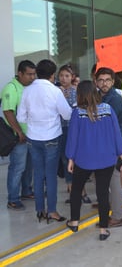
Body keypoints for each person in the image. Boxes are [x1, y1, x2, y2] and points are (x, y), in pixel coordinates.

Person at [65, 80, 122, 241]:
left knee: (76, 189)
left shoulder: (77, 112)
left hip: (84, 159)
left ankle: (74, 221)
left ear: (80, 95)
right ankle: (104, 229)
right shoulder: (108, 109)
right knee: (103, 193)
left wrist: (70, 157)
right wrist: (121, 153)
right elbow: (116, 133)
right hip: (107, 158)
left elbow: (73, 138)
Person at [17, 59, 72, 222]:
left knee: (38, 175)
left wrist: (34, 122)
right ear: (52, 75)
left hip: (33, 138)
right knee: (51, 176)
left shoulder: (26, 91)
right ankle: (52, 211)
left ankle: (40, 210)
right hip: (51, 138)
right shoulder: (55, 92)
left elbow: (20, 117)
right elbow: (67, 115)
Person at [1, 60, 36, 210]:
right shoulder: (11, 88)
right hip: (18, 137)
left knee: (29, 166)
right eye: (29, 74)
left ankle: (26, 191)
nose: (32, 77)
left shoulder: (30, 87)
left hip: (32, 135)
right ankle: (13, 199)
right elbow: (8, 111)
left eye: (34, 74)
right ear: (20, 73)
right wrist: (19, 132)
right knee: (18, 167)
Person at [95, 67, 122, 227]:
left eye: (107, 80)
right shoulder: (100, 96)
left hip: (113, 145)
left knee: (114, 181)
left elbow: (104, 123)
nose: (104, 83)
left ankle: (117, 216)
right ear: (96, 82)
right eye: (101, 80)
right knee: (104, 180)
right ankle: (105, 207)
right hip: (102, 144)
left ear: (113, 81)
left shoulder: (114, 99)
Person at [57, 64, 91, 204]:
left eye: (67, 76)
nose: (64, 79)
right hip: (59, 130)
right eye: (61, 76)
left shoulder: (77, 92)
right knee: (65, 161)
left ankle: (81, 190)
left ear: (72, 77)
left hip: (74, 130)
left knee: (76, 160)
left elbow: (80, 110)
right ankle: (72, 191)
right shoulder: (54, 91)